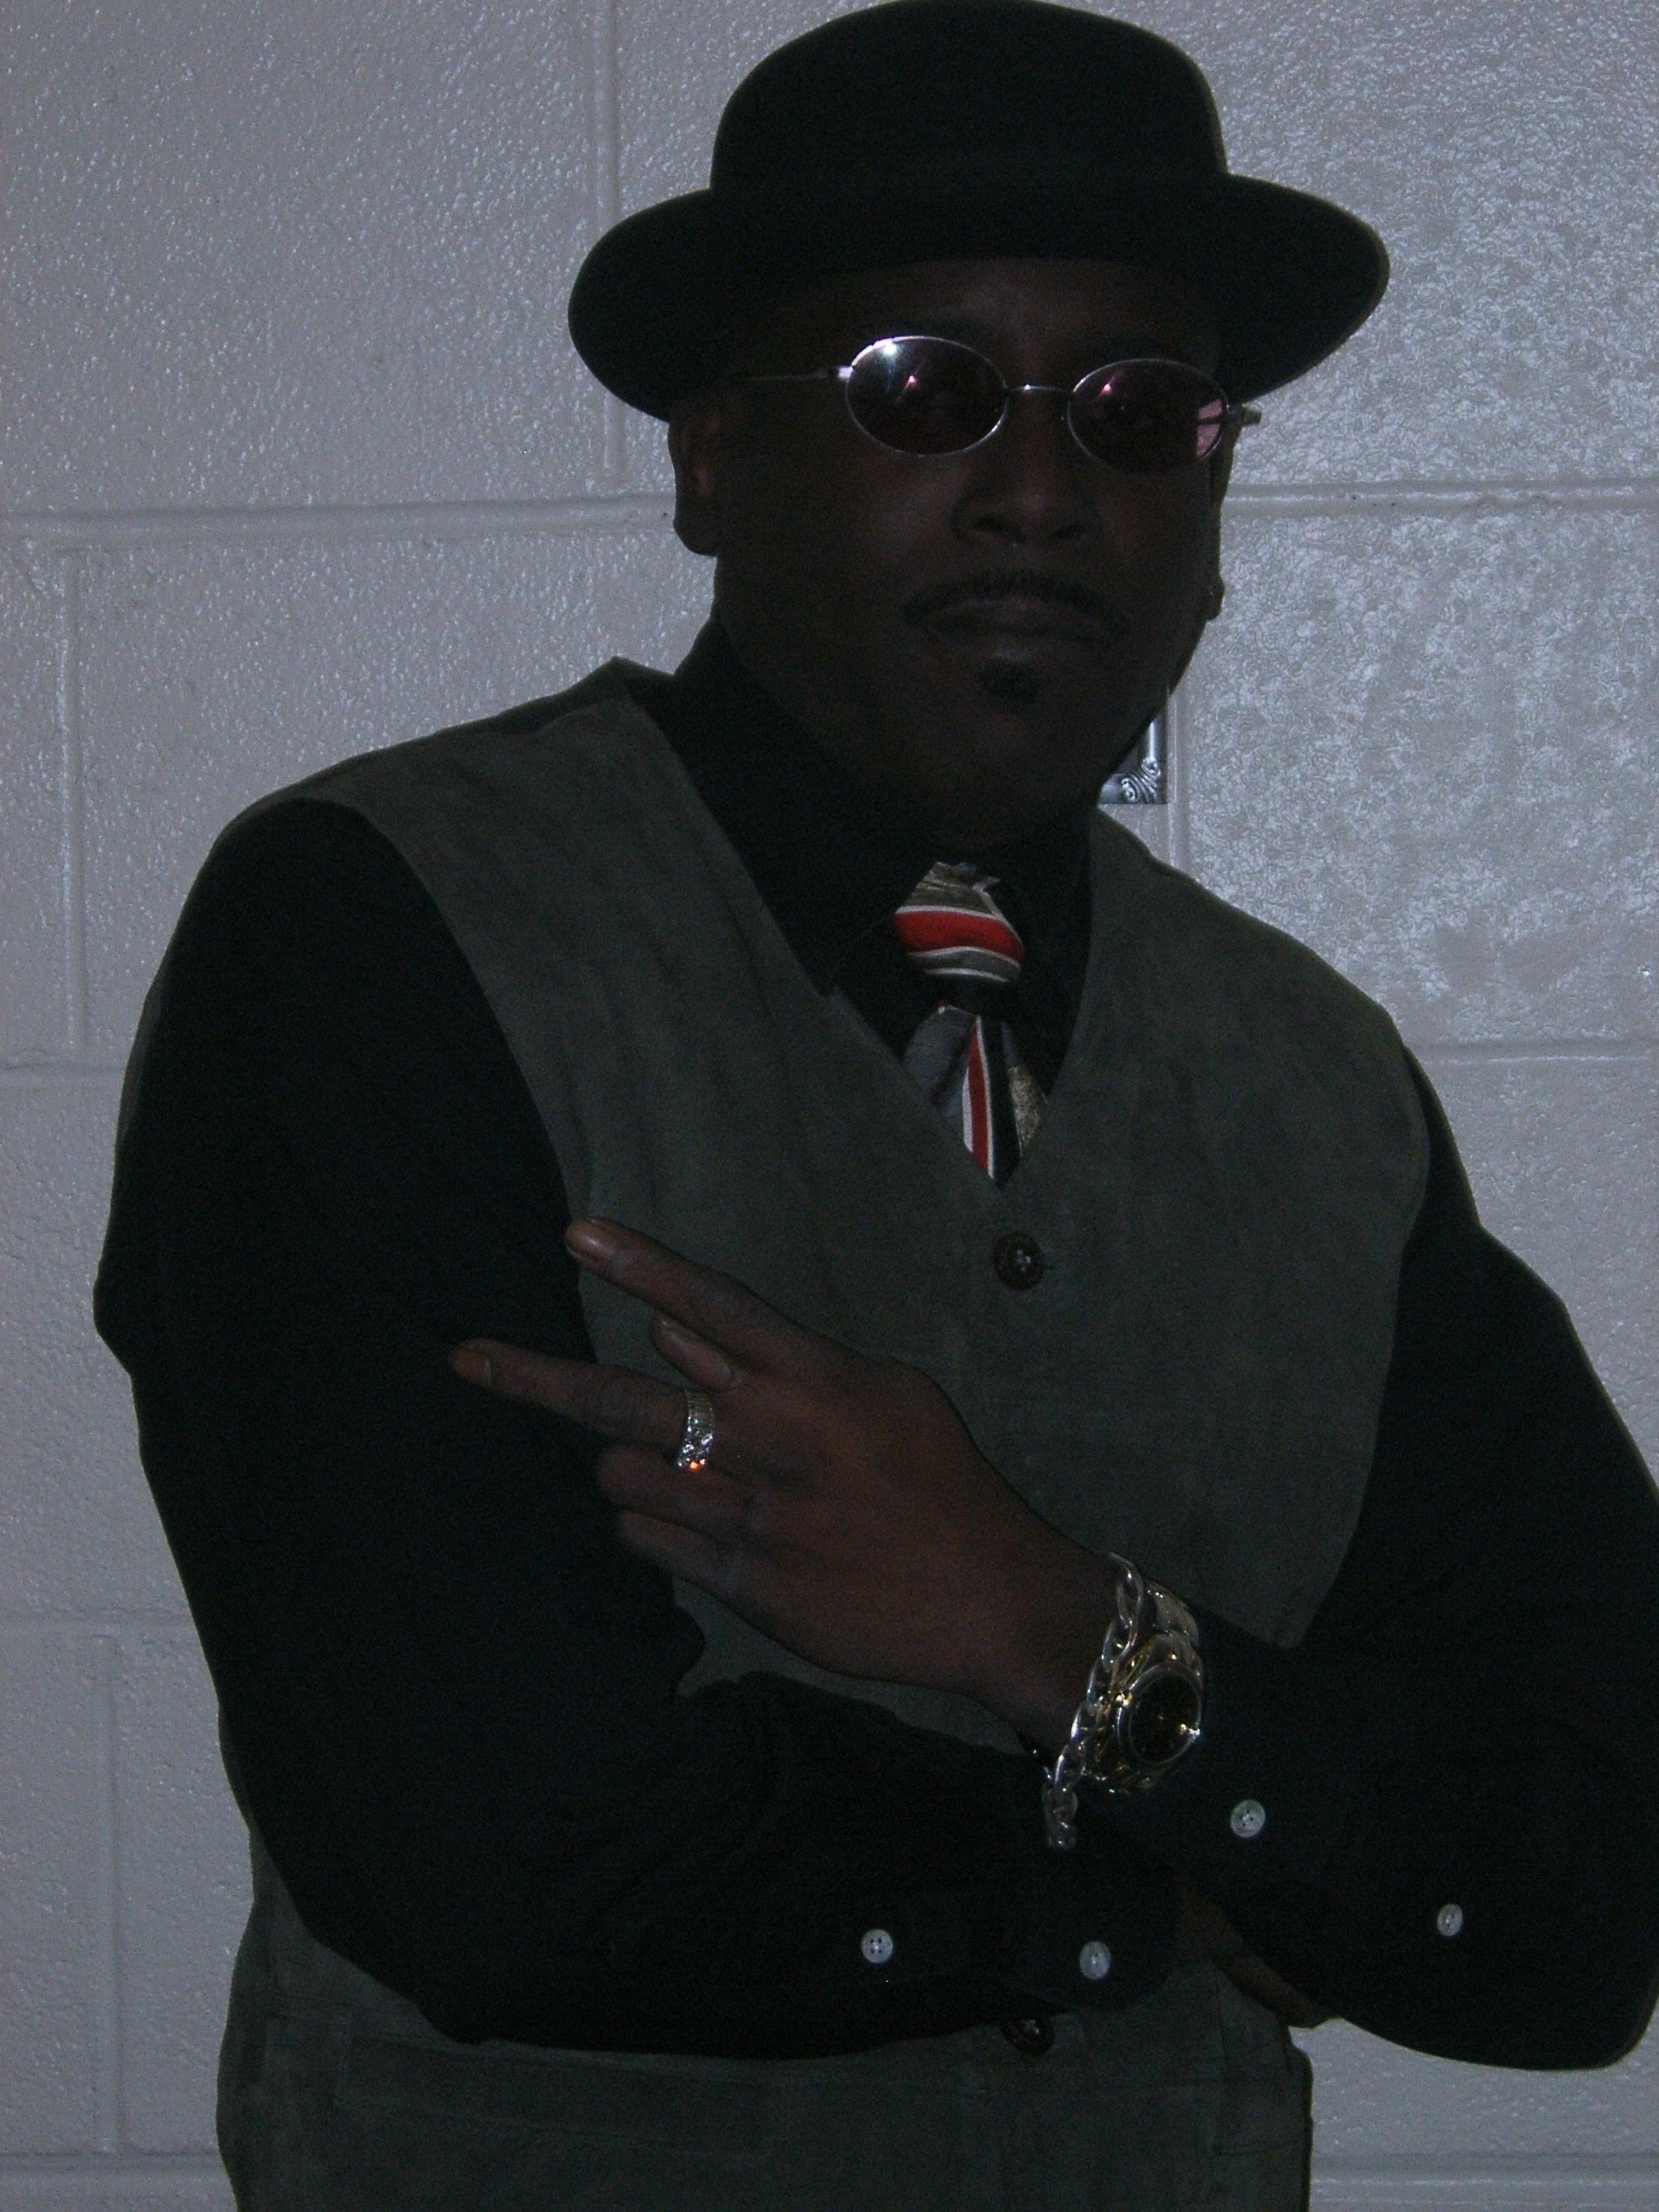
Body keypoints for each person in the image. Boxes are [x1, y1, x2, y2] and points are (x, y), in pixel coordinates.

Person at [95, 3, 1659, 2208]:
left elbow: (1578, 1913)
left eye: (1136, 410)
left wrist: (1049, 1626)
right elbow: (496, 1853)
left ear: (1212, 495)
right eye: (926, 389)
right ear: (714, 458)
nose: (1041, 488)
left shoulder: (1320, 1085)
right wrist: (1159, 1888)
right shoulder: (381, 928)